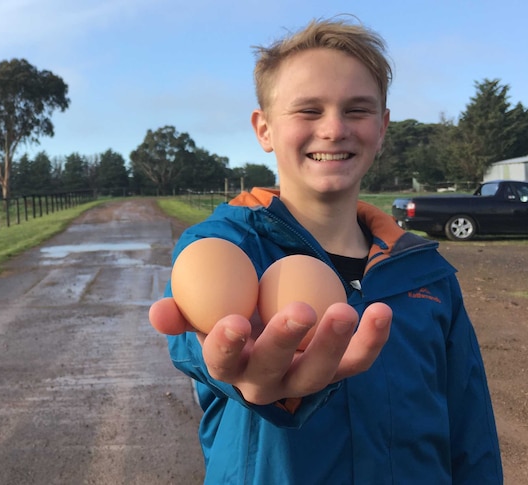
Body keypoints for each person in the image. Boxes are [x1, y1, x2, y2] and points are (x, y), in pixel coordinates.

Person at [148, 16, 503, 484]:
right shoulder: (223, 247)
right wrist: (244, 375)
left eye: (357, 110)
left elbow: (470, 430)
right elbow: (197, 345)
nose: (334, 129)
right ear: (265, 129)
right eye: (308, 111)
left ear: (383, 126)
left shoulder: (427, 274)